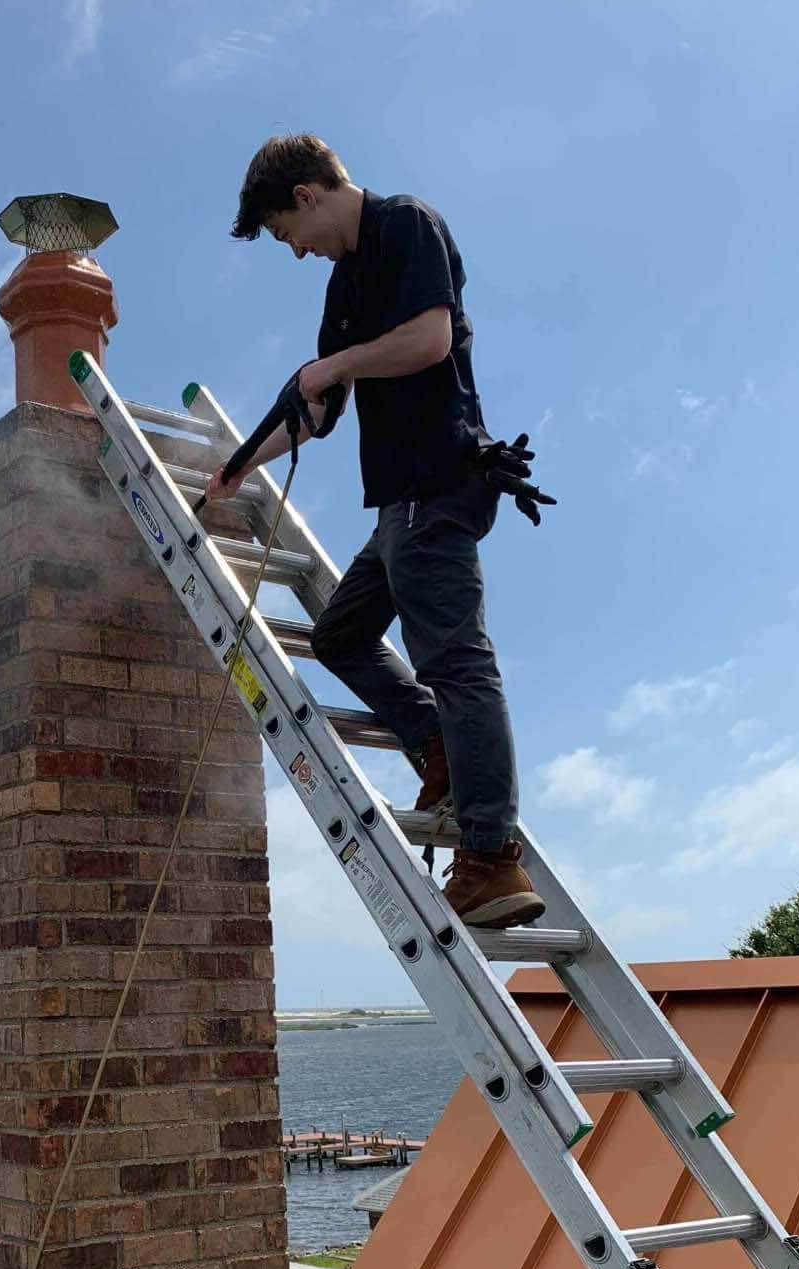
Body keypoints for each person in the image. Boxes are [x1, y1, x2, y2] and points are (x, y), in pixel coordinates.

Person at [205, 134, 547, 929]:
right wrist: (242, 464)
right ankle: (437, 751)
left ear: (307, 196)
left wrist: (335, 366)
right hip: (399, 504)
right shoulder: (343, 288)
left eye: (288, 235)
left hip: (442, 484)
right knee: (339, 637)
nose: (296, 253)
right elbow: (318, 415)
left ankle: (492, 858)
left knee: (456, 660)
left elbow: (429, 340)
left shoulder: (405, 226)